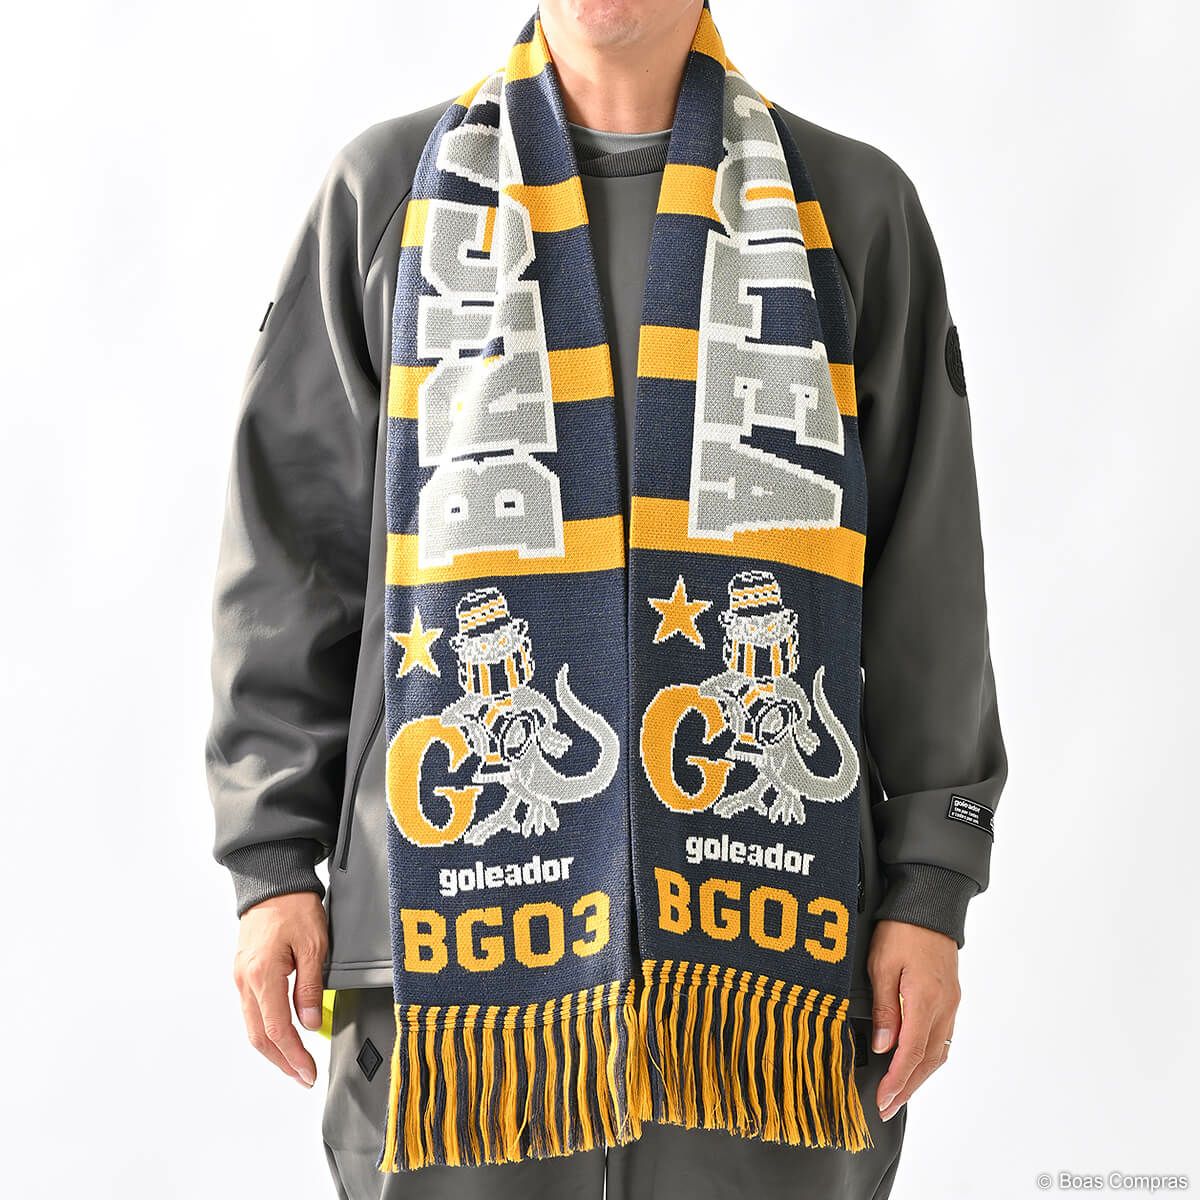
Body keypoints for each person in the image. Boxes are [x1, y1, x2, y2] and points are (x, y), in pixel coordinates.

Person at [205, 2, 1007, 1196]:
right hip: (443, 986)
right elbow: (290, 550)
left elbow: (925, 569)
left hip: (772, 993)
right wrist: (272, 860)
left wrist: (933, 881)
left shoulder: (853, 211)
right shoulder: (388, 200)